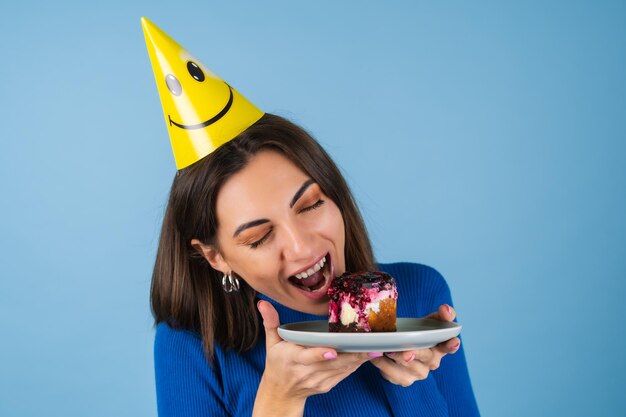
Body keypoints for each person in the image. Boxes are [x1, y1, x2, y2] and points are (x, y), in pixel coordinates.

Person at [142, 18, 480, 417]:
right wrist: (278, 400)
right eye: (259, 237)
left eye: (309, 205)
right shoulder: (190, 345)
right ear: (216, 257)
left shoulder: (420, 294)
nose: (302, 246)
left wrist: (409, 382)